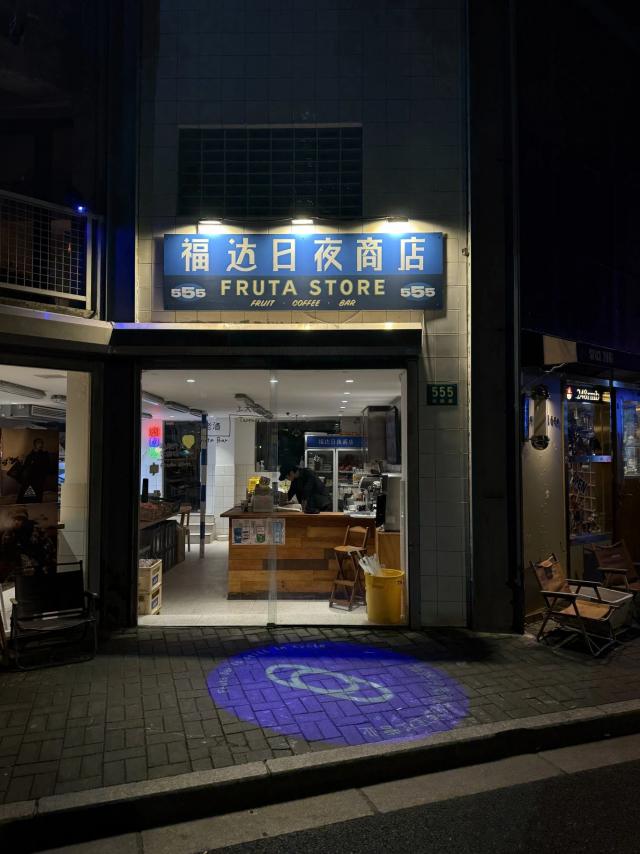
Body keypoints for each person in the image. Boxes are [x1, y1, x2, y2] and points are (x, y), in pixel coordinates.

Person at [17, 438, 50, 503]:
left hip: (40, 477)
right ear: (35, 444)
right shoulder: (30, 455)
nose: (41, 444)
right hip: (30, 477)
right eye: (39, 443)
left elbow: (47, 466)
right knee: (25, 492)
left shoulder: (44, 454)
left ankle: (36, 503)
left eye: (42, 443)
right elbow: (26, 466)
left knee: (38, 494)